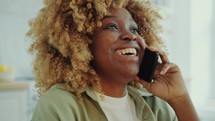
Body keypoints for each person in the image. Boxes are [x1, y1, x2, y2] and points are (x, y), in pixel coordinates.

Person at [27, 0, 199, 121]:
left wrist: (180, 98)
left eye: (135, 29)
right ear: (82, 44)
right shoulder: (60, 104)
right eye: (112, 26)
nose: (131, 35)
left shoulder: (155, 105)